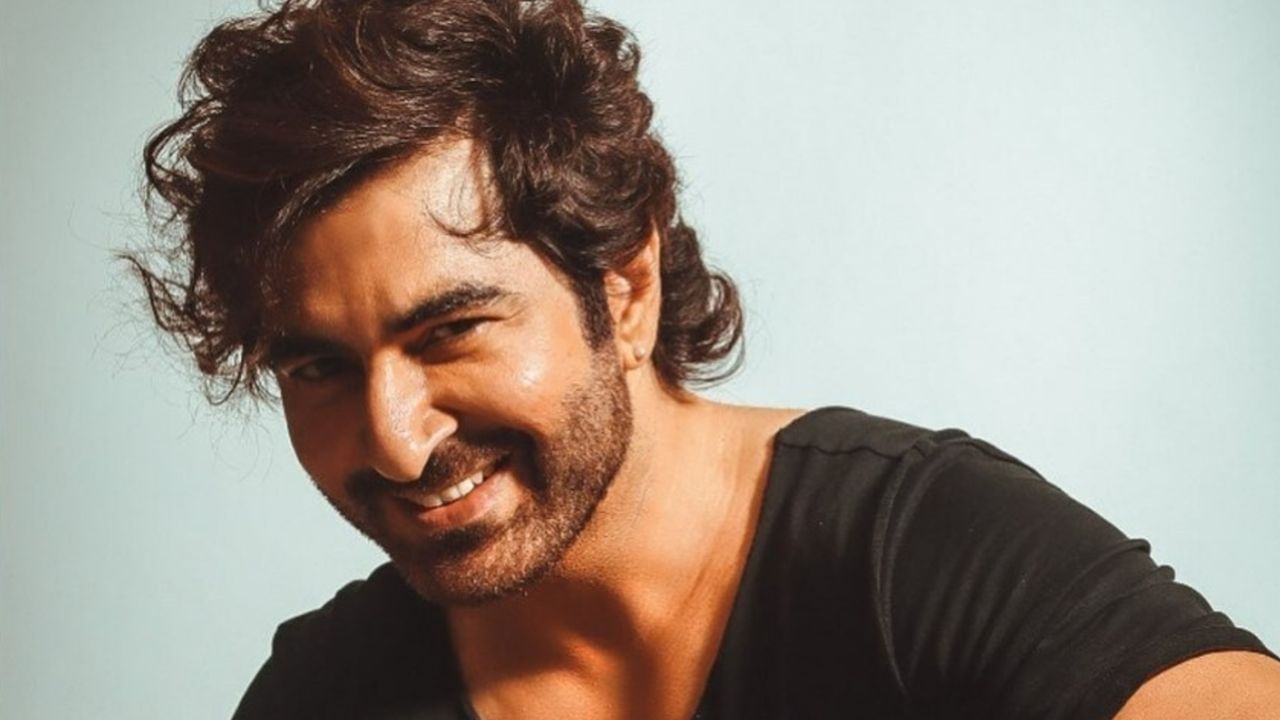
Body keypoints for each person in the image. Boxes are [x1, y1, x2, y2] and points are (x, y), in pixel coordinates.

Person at [129, 0, 1279, 717]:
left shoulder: (908, 548)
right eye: (319, 368)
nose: (393, 440)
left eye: (449, 331)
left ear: (623, 286)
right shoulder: (331, 692)